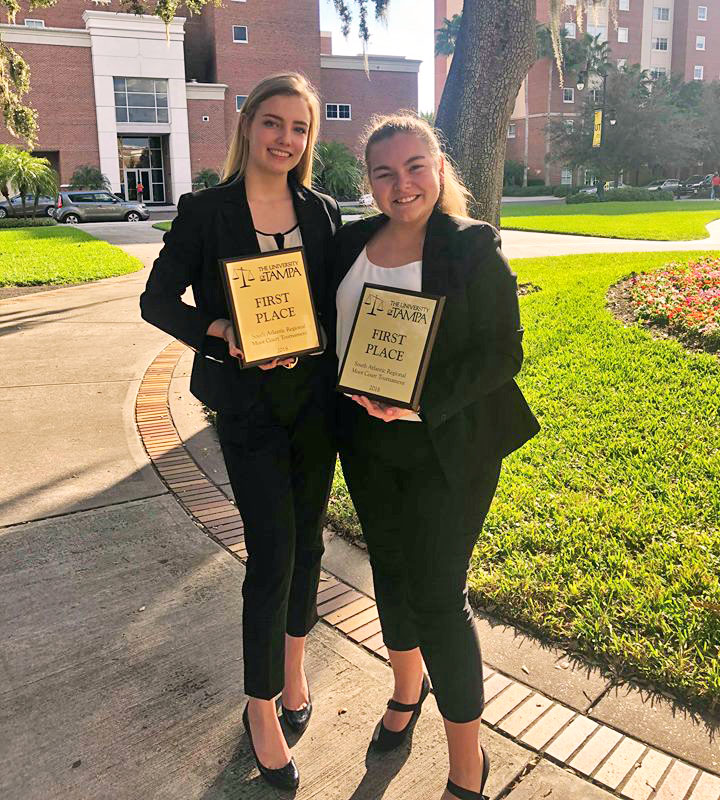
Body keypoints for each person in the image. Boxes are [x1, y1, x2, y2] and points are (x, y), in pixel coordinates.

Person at [140, 73, 341, 792]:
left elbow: (338, 304)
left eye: (300, 128)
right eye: (273, 123)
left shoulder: (320, 212)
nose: (285, 139)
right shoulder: (205, 211)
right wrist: (216, 329)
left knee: (311, 539)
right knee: (273, 550)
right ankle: (260, 706)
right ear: (248, 124)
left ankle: (293, 669)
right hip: (247, 409)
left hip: (315, 403)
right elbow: (156, 300)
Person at [332, 114, 539, 800]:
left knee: (438, 596)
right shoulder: (349, 243)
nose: (402, 184)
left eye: (415, 166)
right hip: (366, 444)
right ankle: (404, 690)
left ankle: (466, 760)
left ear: (439, 167)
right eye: (385, 172)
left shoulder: (472, 245)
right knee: (387, 571)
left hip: (449, 445)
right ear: (370, 183)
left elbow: (504, 353)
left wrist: (420, 400)